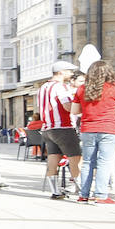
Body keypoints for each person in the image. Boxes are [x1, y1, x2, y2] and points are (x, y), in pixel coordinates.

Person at [71, 60, 115, 205]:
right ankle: (100, 195)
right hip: (109, 128)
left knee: (87, 162)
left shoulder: (82, 89)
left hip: (88, 128)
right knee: (104, 162)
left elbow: (74, 111)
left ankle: (83, 195)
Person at [37, 61, 80, 199]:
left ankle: (55, 191)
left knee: (53, 158)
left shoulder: (43, 87)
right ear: (61, 72)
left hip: (47, 128)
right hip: (63, 127)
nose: (71, 74)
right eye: (69, 71)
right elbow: (68, 107)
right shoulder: (61, 87)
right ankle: (82, 190)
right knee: (75, 158)